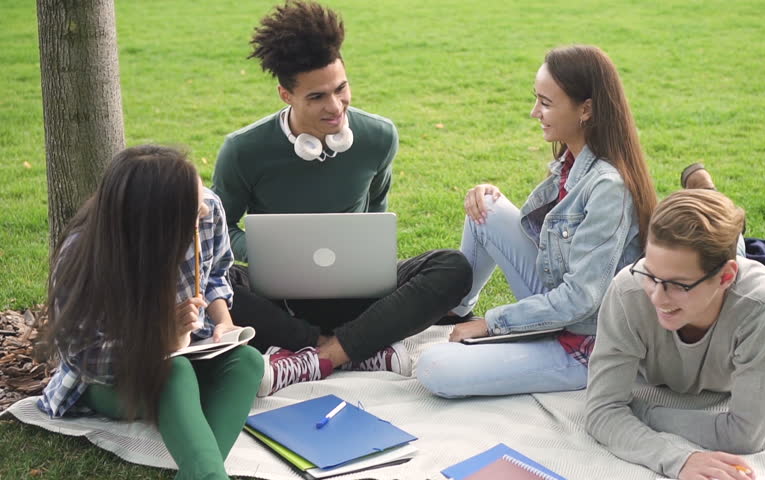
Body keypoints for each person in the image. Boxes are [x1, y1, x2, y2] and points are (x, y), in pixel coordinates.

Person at [212, 0, 472, 396]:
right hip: (282, 300)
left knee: (453, 267)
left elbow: (377, 209)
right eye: (317, 97)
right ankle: (351, 348)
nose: (335, 107)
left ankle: (317, 356)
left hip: (359, 295)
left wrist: (364, 258)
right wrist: (273, 252)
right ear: (286, 94)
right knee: (209, 285)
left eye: (341, 88)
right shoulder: (243, 150)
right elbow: (219, 232)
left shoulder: (378, 137)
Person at [417, 45, 656, 398]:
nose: (534, 112)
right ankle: (455, 311)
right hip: (556, 306)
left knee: (434, 366)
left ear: (586, 109)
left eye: (545, 103)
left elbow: (580, 300)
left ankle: (480, 332)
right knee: (485, 205)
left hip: (583, 344)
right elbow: (547, 249)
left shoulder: (608, 187)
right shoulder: (572, 163)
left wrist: (492, 324)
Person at [38, 145, 264, 480]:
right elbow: (85, 358)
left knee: (248, 362)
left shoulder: (207, 209)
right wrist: (164, 341)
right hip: (110, 378)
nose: (205, 209)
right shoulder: (83, 254)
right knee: (173, 372)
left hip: (188, 353)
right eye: (193, 209)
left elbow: (217, 273)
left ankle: (203, 470)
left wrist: (224, 322)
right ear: (154, 221)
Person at [585, 189, 765, 480]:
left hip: (735, 284)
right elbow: (602, 411)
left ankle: (708, 192)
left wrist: (644, 412)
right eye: (651, 274)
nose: (657, 298)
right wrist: (678, 459)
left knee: (728, 251)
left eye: (678, 285)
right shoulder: (629, 289)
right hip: (716, 274)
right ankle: (705, 190)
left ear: (725, 277)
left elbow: (746, 435)